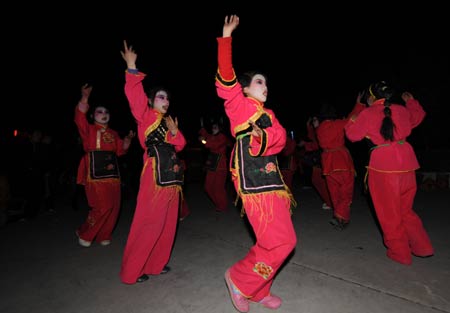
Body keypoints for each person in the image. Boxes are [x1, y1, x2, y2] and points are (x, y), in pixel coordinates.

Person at [215, 15, 297, 312]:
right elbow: (226, 78)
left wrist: (268, 135)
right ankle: (239, 279)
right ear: (246, 88)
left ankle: (259, 288)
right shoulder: (238, 105)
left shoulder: (270, 113)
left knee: (283, 240)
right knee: (277, 240)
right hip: (251, 180)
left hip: (273, 182)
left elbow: (279, 139)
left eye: (266, 82)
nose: (265, 86)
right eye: (259, 82)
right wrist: (226, 38)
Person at [119, 40, 187, 284]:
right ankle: (132, 271)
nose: (165, 101)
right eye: (160, 97)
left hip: (172, 176)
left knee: (167, 223)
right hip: (154, 173)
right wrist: (132, 66)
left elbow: (181, 145)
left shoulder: (168, 122)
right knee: (149, 221)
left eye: (167, 98)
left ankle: (156, 264)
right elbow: (134, 95)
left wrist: (174, 131)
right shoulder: (145, 115)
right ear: (150, 100)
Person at [345, 81, 434, 265]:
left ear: (371, 97)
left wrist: (357, 109)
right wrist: (411, 102)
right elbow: (418, 116)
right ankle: (423, 247)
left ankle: (399, 252)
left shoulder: (367, 113)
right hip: (407, 164)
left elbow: (352, 135)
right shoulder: (401, 110)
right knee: (405, 210)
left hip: (384, 167)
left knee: (389, 213)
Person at [74, 84, 135, 247]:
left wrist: (127, 141)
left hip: (113, 174)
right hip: (95, 173)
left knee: (114, 206)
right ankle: (84, 232)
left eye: (106, 112)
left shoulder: (114, 133)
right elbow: (79, 118)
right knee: (102, 206)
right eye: (99, 112)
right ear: (93, 115)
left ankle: (104, 235)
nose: (103, 114)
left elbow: (120, 151)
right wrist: (85, 97)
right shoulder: (89, 129)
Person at [314, 100, 365, 230]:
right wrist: (359, 104)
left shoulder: (319, 128)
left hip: (327, 165)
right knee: (346, 193)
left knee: (335, 193)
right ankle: (339, 217)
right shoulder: (337, 124)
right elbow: (352, 117)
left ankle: (342, 219)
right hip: (341, 161)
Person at [298, 117, 333, 210]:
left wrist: (306, 144)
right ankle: (330, 201)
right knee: (318, 180)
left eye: (315, 120)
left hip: (324, 160)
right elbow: (312, 137)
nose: (314, 123)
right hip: (320, 160)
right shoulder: (317, 130)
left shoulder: (322, 130)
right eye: (313, 121)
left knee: (323, 181)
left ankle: (331, 202)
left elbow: (316, 144)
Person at [198, 121, 233, 213]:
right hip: (212, 165)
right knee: (208, 187)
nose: (213, 128)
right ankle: (219, 204)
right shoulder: (213, 136)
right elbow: (205, 134)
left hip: (220, 166)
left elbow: (213, 145)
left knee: (218, 188)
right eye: (213, 127)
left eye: (215, 127)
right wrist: (202, 127)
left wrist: (203, 140)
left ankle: (222, 206)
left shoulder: (222, 137)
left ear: (220, 129)